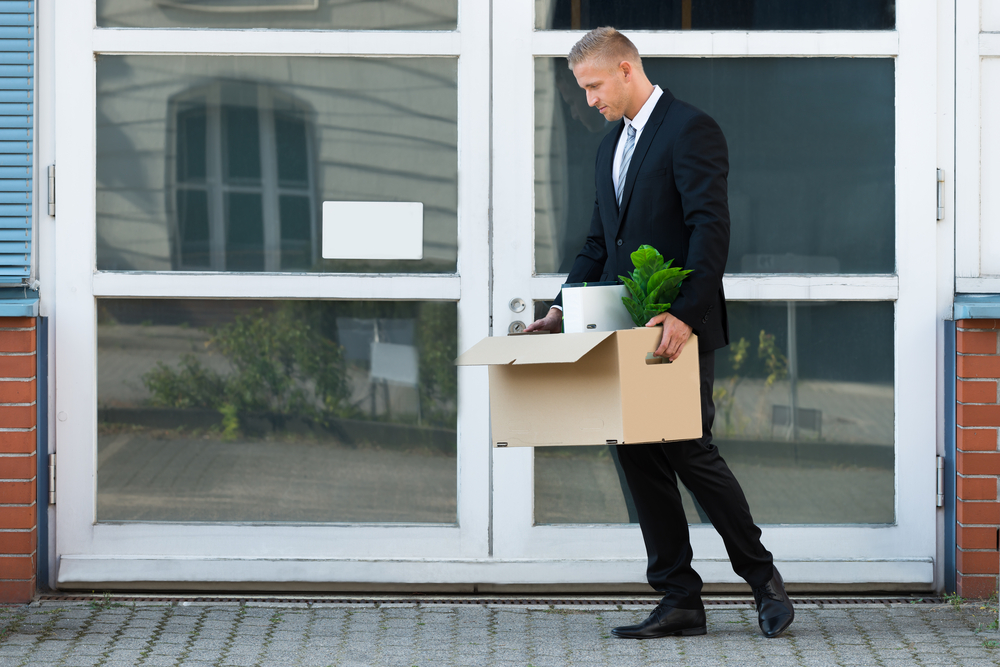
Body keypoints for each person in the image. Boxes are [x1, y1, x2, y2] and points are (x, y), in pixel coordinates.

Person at [524, 27, 794, 640]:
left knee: (690, 452)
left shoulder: (690, 130)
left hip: (676, 328)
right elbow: (599, 244)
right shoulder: (608, 148)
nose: (587, 99)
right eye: (581, 89)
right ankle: (679, 599)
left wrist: (686, 314)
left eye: (593, 86)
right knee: (638, 458)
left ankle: (763, 579)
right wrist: (561, 310)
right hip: (623, 330)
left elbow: (709, 231)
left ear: (625, 70)